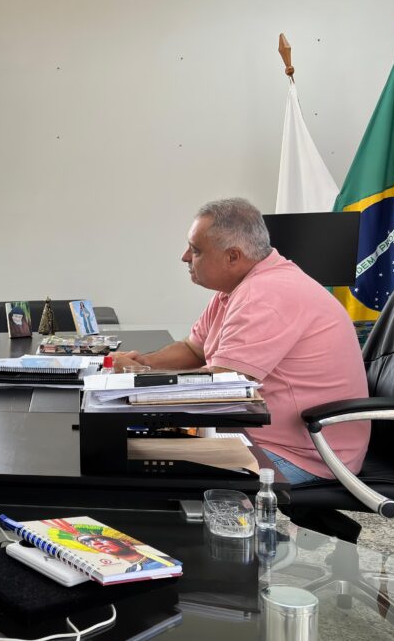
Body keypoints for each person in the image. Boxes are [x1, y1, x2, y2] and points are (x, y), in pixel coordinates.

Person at [109, 198, 370, 486]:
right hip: (258, 437)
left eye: (196, 250)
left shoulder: (267, 293)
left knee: (128, 462)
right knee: (125, 448)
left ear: (233, 256)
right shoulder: (238, 288)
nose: (185, 257)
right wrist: (144, 363)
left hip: (302, 457)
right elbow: (193, 349)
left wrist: (140, 382)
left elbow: (223, 385)